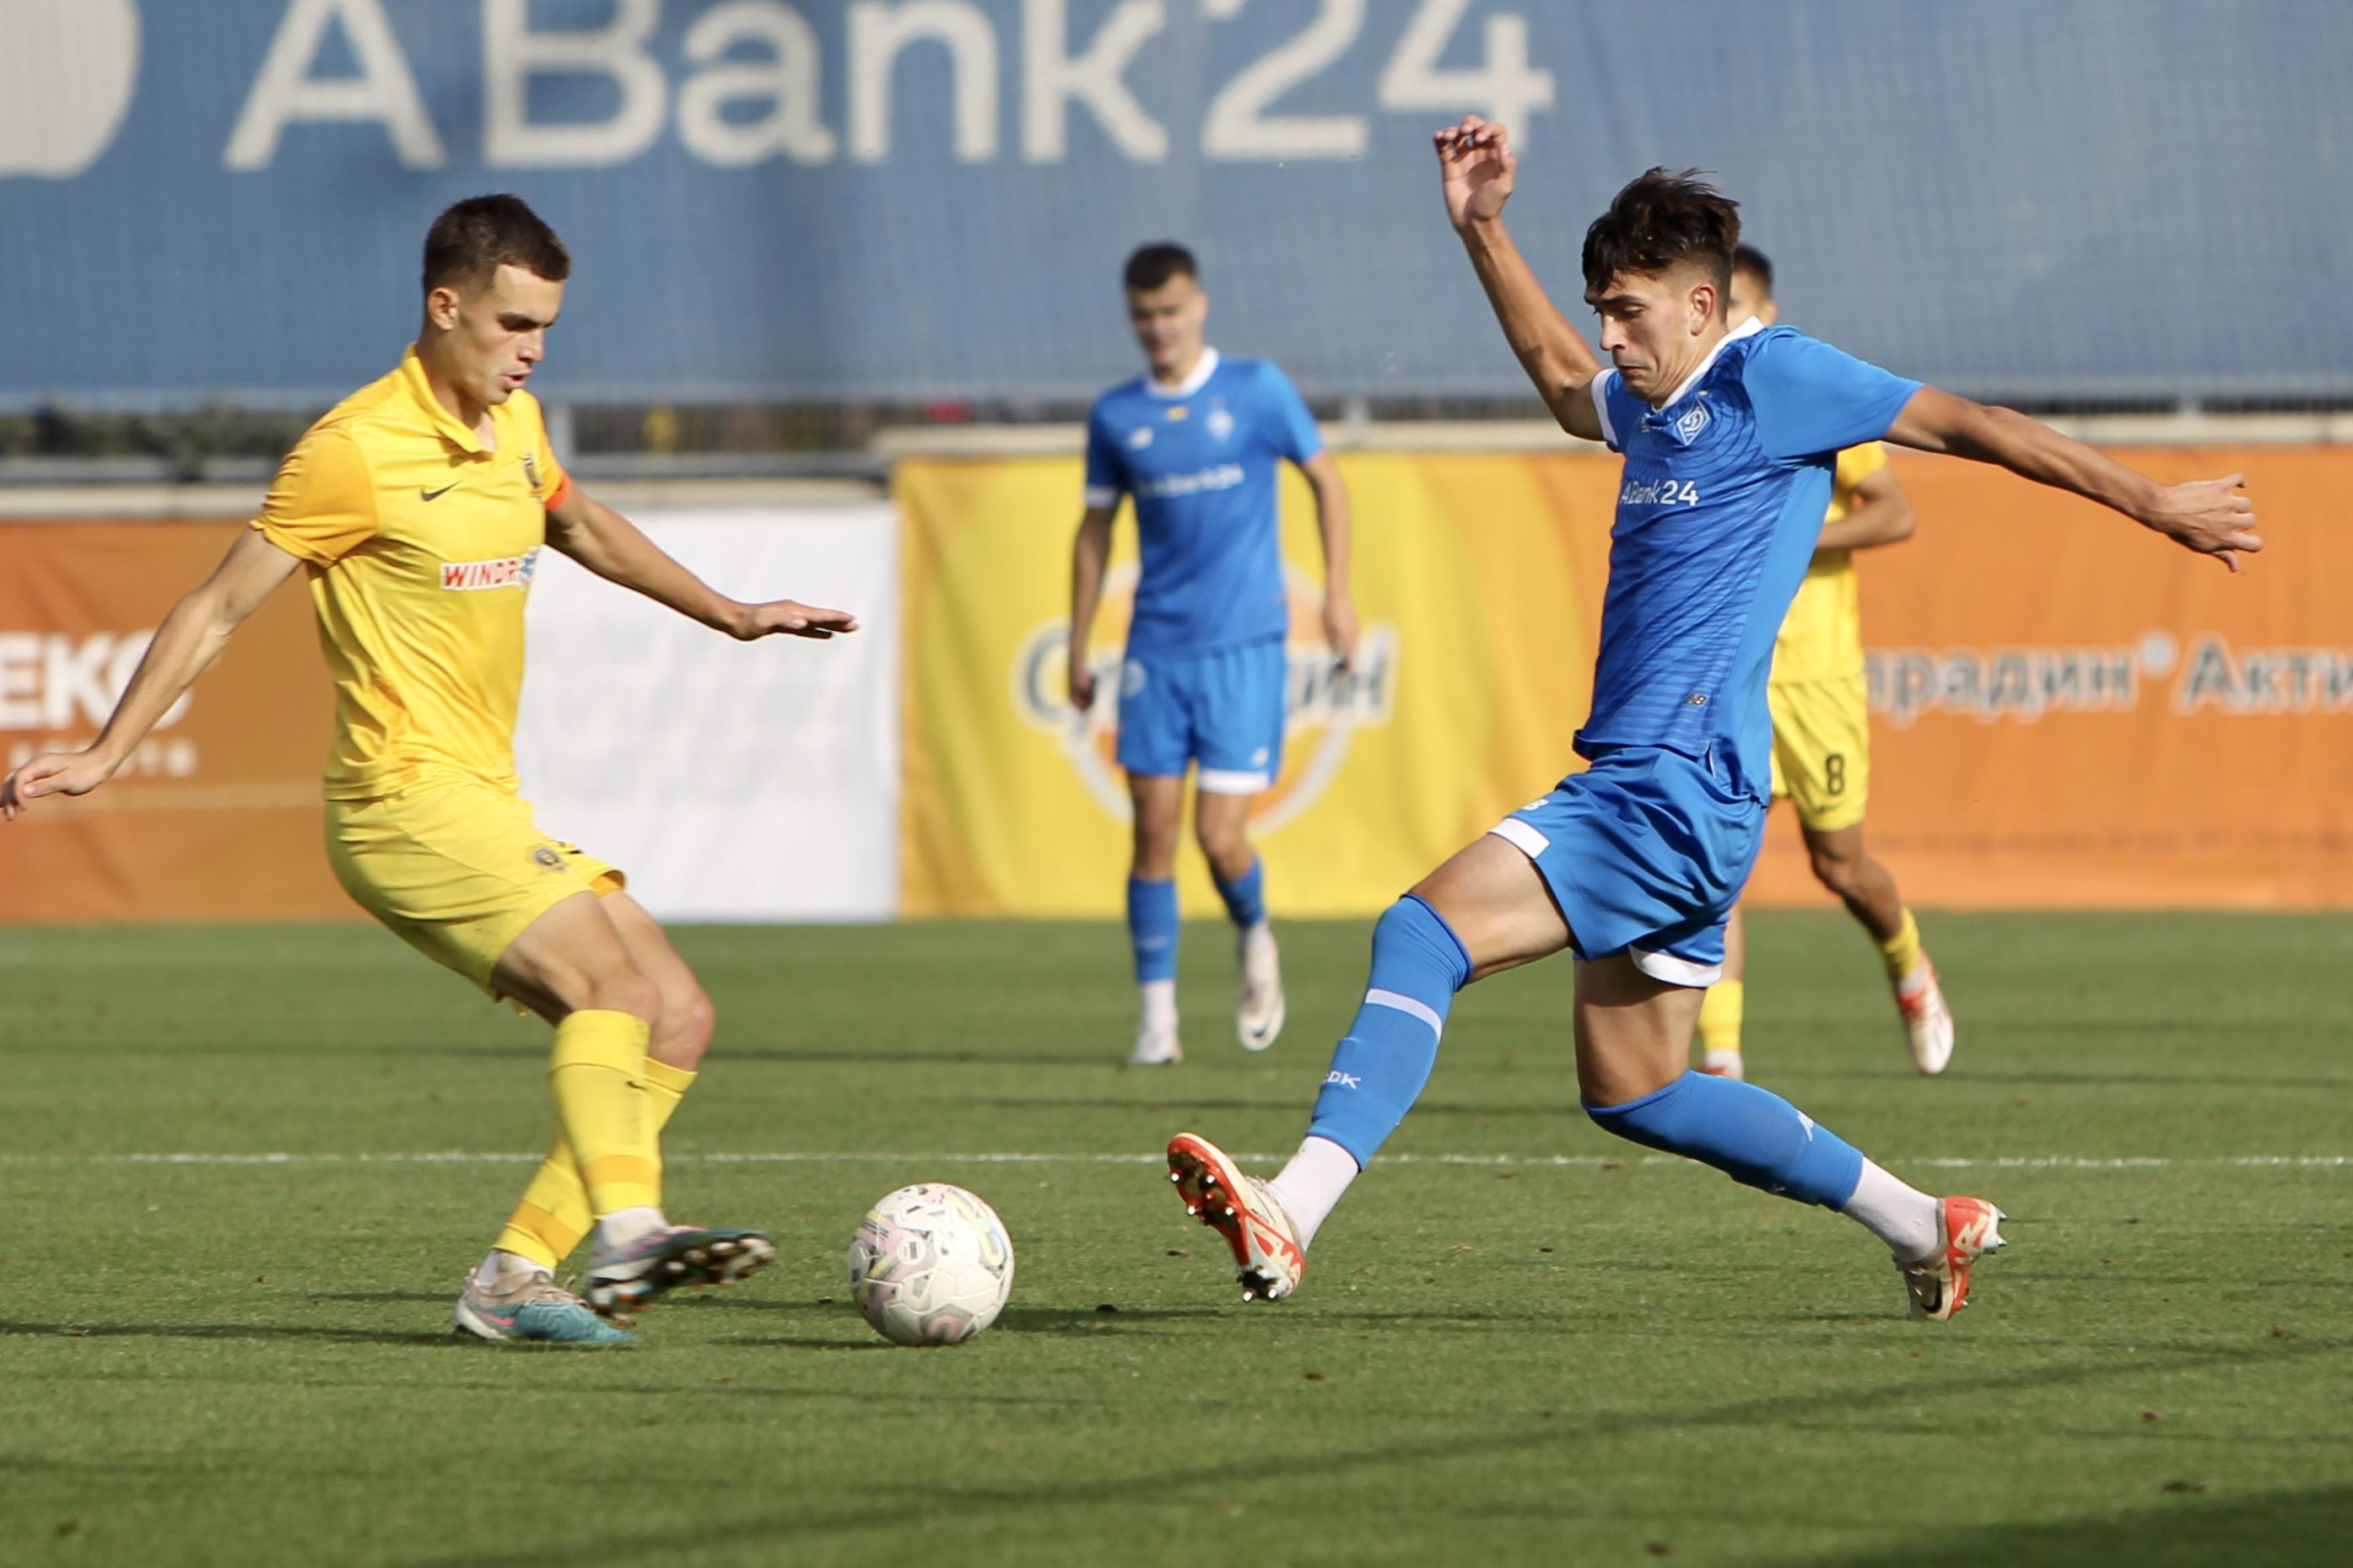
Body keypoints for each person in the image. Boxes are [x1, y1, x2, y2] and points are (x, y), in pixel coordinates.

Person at [1165, 121, 2257, 1321]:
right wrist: (1480, 226)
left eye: (1627, 312)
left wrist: (2156, 500)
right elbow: (1548, 370)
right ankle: (1919, 1220)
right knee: (1637, 1090)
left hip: (1667, 785)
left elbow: (1971, 423)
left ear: (1700, 301)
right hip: (1697, 794)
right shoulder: (1648, 402)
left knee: (1420, 934)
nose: (1607, 336)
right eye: (1601, 310)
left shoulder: (1769, 375)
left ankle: (1296, 1203)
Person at [2, 196, 857, 1345]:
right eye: (512, 323)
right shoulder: (353, 450)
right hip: (398, 803)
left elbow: (582, 521)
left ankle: (511, 1278)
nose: (532, 349)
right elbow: (215, 607)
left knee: (679, 1016)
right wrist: (109, 752)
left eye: (545, 327)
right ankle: (631, 1231)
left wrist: (735, 612)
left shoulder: (517, 425)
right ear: (442, 305)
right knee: (615, 993)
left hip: (481, 798)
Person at [1068, 242, 1357, 1067]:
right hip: (1156, 649)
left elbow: (1326, 482)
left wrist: (1336, 592)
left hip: (1244, 648)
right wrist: (1080, 637)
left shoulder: (1256, 390)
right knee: (1151, 832)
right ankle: (1157, 1022)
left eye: (1169, 312)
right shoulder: (1116, 416)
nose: (1157, 329)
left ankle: (1253, 933)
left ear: (1199, 306)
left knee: (1218, 836)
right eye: (1143, 317)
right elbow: (1093, 531)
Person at [1693, 245, 1953, 1082]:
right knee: (1718, 868)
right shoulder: (1698, 411)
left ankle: (1907, 965)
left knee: (1838, 864)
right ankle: (1721, 1056)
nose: (1731, 323)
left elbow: (1893, 512)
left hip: (1818, 682)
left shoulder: (1809, 398)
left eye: (1743, 308)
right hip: (1737, 677)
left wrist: (1795, 537)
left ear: (1766, 311)